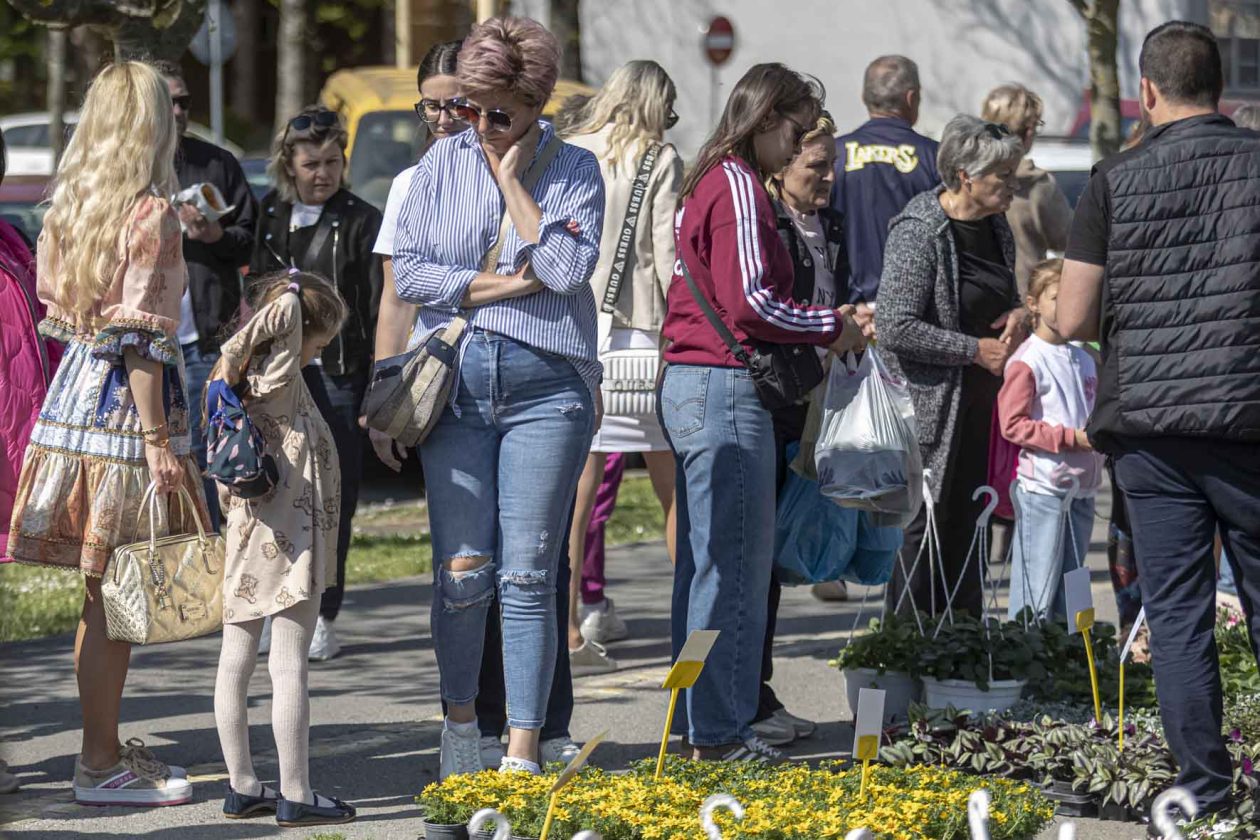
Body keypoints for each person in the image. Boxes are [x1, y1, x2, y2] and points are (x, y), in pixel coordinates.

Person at [392, 15, 605, 778]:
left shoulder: (576, 167)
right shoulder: (438, 166)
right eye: (469, 106)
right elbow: (410, 275)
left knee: (526, 574)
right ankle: (459, 731)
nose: (478, 124)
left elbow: (567, 267)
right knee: (461, 572)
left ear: (534, 102)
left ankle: (521, 748)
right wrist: (502, 283)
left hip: (549, 387)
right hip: (456, 386)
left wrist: (515, 181)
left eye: (497, 110)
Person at [1057, 21, 1260, 821]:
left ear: (1145, 92)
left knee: (1175, 613)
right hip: (1248, 413)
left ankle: (1201, 792)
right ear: (1222, 89)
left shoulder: (1114, 177)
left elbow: (1071, 315)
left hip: (1149, 425)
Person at [7, 61, 208, 806]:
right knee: (118, 597)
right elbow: (142, 341)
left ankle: (101, 750)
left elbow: (70, 317)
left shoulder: (74, 205)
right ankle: (97, 764)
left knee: (104, 594)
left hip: (75, 402)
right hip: (126, 413)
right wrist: (159, 441)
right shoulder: (149, 211)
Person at [662, 63, 865, 763]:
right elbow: (751, 301)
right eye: (798, 129)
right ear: (767, 119)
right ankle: (719, 732)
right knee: (736, 572)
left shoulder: (710, 180)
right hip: (722, 390)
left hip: (695, 385)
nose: (800, 143)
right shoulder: (740, 187)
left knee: (704, 568)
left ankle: (695, 720)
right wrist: (828, 324)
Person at [211, 271, 356, 828]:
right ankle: (296, 790)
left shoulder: (243, 383)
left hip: (251, 539)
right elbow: (278, 325)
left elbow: (256, 338)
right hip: (290, 542)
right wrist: (292, 296)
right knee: (289, 662)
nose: (320, 350)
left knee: (237, 660)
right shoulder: (278, 380)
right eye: (320, 340)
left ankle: (243, 784)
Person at [878, 115, 1025, 619]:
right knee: (923, 541)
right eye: (1003, 175)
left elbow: (1004, 295)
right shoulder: (920, 230)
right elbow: (894, 326)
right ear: (966, 175)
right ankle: (903, 667)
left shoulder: (995, 226)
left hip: (982, 410)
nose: (1012, 183)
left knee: (968, 536)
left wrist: (1021, 314)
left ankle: (958, 664)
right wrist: (973, 350)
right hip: (932, 417)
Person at [563, 60, 684, 675]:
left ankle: (568, 635)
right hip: (640, 337)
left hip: (576, 332)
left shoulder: (571, 148)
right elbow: (666, 255)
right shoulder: (658, 159)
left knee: (576, 494)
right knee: (673, 491)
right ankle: (693, 633)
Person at [251, 106, 383, 661]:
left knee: (334, 498)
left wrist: (376, 380)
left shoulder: (360, 219)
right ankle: (271, 604)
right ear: (289, 164)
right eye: (311, 164)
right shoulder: (272, 212)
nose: (322, 173)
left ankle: (326, 612)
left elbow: (377, 305)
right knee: (275, 492)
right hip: (280, 375)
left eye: (333, 162)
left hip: (339, 374)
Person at [750, 111, 853, 748]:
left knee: (777, 557)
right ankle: (749, 697)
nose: (828, 177)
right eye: (816, 166)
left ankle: (759, 692)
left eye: (831, 164)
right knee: (757, 561)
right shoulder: (768, 225)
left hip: (811, 399)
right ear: (781, 168)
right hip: (770, 400)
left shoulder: (829, 224)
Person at [153, 61, 258, 530]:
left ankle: (209, 552)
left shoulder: (216, 163)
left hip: (202, 341)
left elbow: (252, 239)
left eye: (184, 101)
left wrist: (214, 236)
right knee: (147, 457)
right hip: (142, 339)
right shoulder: (126, 168)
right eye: (167, 101)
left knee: (200, 452)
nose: (177, 110)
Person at [997, 259, 1102, 619]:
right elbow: (1012, 425)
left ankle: (1069, 657)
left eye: (1074, 296)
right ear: (1033, 304)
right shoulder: (1028, 360)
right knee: (1037, 586)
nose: (1066, 305)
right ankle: (1026, 655)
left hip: (1083, 489)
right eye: (1056, 297)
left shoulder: (1085, 358)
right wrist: (1070, 437)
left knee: (1073, 584)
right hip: (1044, 488)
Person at [831, 55, 939, 338]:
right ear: (911, 97)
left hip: (847, 315)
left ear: (864, 97)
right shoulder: (936, 157)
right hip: (916, 316)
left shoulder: (831, 156)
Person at [980, 84, 1072, 292]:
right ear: (1029, 131)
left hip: (971, 304)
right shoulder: (1037, 186)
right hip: (1023, 302)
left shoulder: (965, 177)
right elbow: (1067, 239)